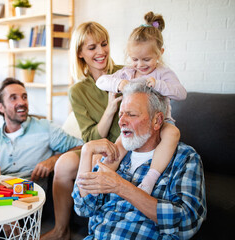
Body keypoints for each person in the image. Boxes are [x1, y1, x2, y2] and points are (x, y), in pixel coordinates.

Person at [73, 81, 206, 239]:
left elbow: (187, 222)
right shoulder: (117, 154)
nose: (121, 121)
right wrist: (87, 152)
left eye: (131, 114)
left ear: (157, 121)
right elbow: (83, 208)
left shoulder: (185, 158)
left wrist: (121, 187)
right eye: (121, 114)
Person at [41, 22, 123, 240]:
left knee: (96, 159)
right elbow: (91, 138)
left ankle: (99, 232)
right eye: (92, 47)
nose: (101, 52)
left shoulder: (124, 74)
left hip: (122, 144)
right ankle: (61, 230)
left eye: (104, 44)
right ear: (80, 53)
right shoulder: (78, 91)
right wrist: (110, 108)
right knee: (64, 163)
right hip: (95, 142)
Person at [96, 11, 187, 194]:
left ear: (160, 53)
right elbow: (101, 81)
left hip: (162, 123)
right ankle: (101, 174)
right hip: (135, 126)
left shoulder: (162, 73)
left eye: (146, 59)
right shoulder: (128, 72)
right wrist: (119, 83)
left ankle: (149, 179)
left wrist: (159, 85)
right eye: (135, 59)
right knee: (120, 143)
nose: (140, 65)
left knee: (173, 134)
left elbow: (181, 93)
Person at [0, 78, 83, 190]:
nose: (22, 102)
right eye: (14, 98)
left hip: (32, 198)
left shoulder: (46, 128)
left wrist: (54, 160)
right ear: (1, 107)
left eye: (24, 97)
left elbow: (82, 147)